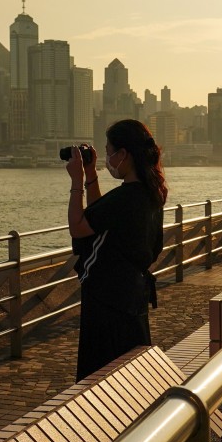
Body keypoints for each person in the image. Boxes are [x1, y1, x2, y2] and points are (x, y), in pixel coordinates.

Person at [66, 119, 167, 381]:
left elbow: (79, 227)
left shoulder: (125, 198)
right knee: (130, 375)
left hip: (106, 300)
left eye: (110, 151)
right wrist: (90, 174)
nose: (108, 158)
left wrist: (76, 181)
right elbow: (100, 219)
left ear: (123, 154)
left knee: (99, 376)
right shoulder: (150, 194)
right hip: (132, 295)